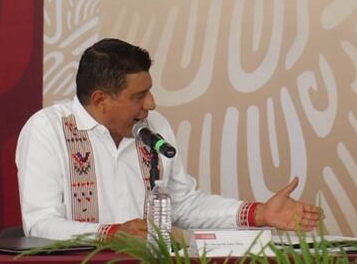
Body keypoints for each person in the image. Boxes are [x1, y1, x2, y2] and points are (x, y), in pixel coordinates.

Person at [16, 38, 322, 240]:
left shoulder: (154, 127)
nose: (151, 104)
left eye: (149, 91)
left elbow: (182, 205)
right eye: (138, 96)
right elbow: (40, 224)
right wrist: (109, 234)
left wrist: (259, 213)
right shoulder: (47, 130)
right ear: (100, 100)